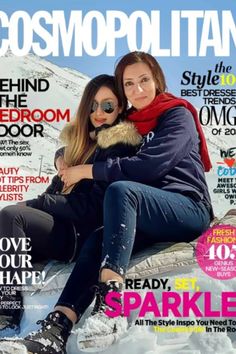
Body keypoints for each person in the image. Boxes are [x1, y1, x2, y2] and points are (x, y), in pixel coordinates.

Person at [1, 52, 213, 354]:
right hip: (148, 211)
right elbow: (93, 141)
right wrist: (64, 156)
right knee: (101, 238)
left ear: (158, 80)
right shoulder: (134, 125)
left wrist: (82, 171)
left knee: (121, 190)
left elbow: (146, 168)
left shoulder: (176, 115)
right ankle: (57, 330)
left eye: (144, 80)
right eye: (129, 84)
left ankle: (111, 306)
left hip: (186, 206)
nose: (137, 89)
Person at [0, 74, 141, 338]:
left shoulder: (120, 146)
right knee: (8, 225)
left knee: (11, 215)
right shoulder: (84, 143)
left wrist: (36, 203)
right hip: (62, 226)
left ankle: (7, 312)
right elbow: (59, 180)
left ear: (120, 107)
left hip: (80, 233)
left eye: (108, 106)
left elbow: (94, 206)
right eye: (92, 106)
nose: (99, 112)